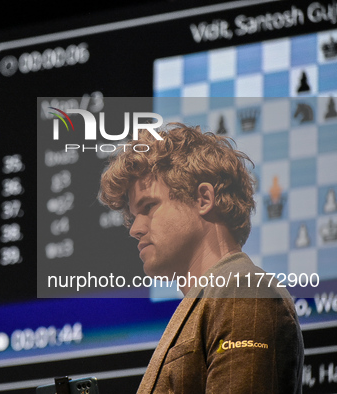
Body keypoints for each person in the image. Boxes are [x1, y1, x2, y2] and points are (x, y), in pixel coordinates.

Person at [98, 123, 304, 393]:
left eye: (148, 207)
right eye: (134, 216)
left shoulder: (243, 292)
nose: (135, 229)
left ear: (204, 198)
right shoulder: (217, 297)